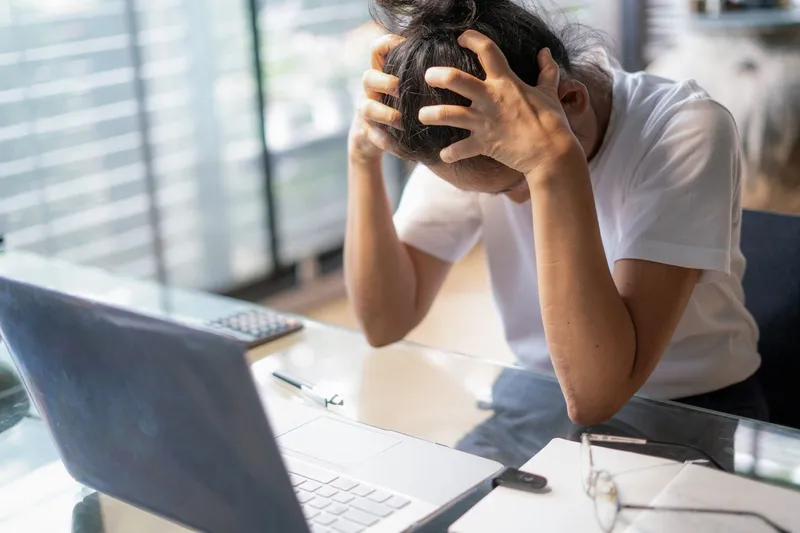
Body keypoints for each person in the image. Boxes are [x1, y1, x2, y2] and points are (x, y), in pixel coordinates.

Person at [344, 0, 767, 425]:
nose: (511, 203)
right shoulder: (470, 126)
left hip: (696, 403)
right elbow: (385, 322)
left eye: (514, 184)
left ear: (570, 99)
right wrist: (363, 158)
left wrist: (551, 163)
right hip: (539, 386)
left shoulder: (683, 128)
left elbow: (596, 396)